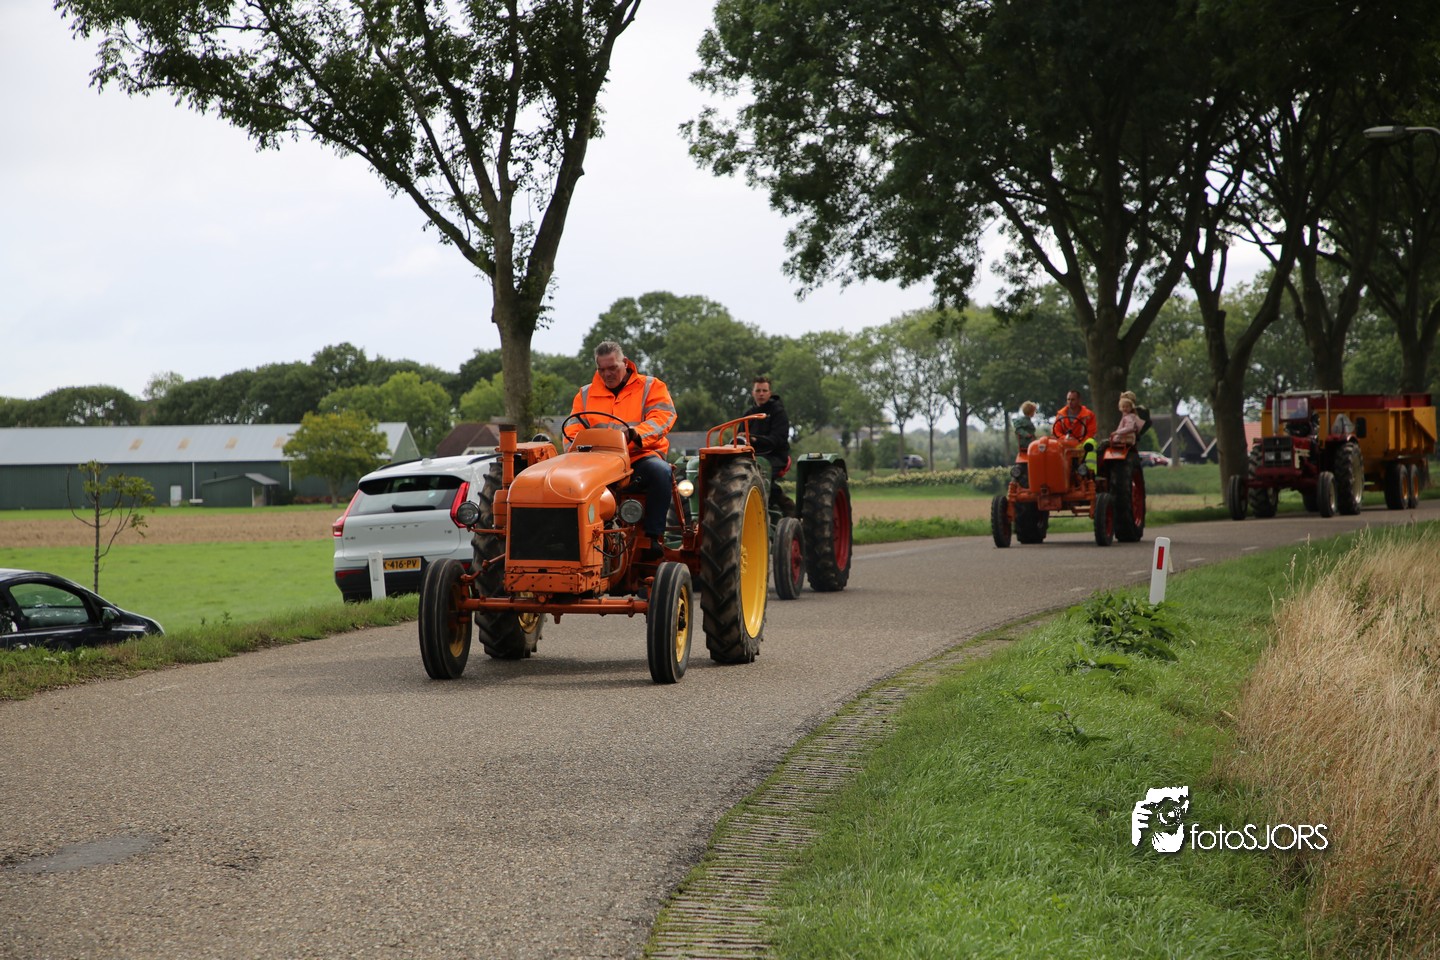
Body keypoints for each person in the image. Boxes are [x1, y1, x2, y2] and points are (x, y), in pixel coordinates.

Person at [566, 340, 677, 558]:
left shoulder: (651, 386)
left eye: (612, 368)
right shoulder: (585, 394)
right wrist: (577, 447)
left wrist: (637, 433)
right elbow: (572, 427)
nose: (607, 374)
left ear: (625, 363)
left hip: (638, 456)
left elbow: (663, 417)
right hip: (596, 462)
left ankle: (652, 537)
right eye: (601, 369)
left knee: (661, 472)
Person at [743, 375, 795, 516]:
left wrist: (755, 439)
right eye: (758, 390)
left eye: (764, 391)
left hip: (775, 455)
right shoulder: (748, 415)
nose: (761, 394)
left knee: (758, 472)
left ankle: (787, 507)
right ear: (753, 393)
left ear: (770, 393)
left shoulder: (778, 412)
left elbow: (778, 439)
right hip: (752, 456)